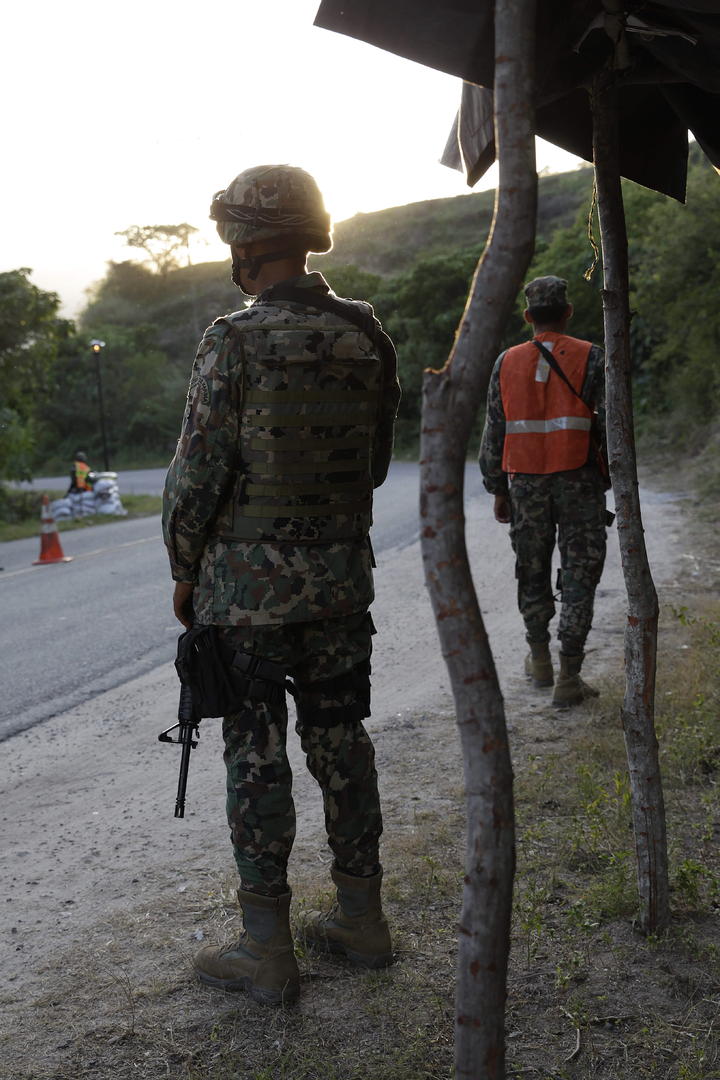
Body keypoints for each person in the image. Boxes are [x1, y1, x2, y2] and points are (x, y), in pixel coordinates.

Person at [162, 165, 401, 1006]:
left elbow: (196, 475)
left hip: (246, 597)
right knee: (343, 742)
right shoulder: (365, 332)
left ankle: (266, 952)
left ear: (241, 243)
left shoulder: (233, 337)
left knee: (255, 756)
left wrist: (186, 568)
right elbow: (371, 465)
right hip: (340, 584)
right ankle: (363, 922)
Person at [479, 275, 609, 709]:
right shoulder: (592, 357)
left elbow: (494, 430)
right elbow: (610, 425)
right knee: (579, 575)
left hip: (525, 483)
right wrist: (613, 479)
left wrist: (498, 488)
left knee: (531, 570)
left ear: (527, 315)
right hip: (580, 480)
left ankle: (538, 660)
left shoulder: (506, 362)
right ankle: (568, 676)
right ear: (568, 312)